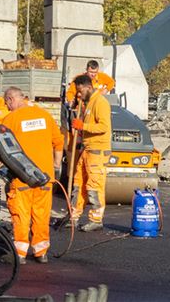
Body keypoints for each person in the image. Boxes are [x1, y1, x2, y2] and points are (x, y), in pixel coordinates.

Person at [0, 87, 63, 264]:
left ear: (11, 99)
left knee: (21, 215)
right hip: (44, 176)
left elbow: (2, 147)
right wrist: (56, 165)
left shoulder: (11, 119)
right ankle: (41, 252)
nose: (7, 107)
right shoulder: (44, 115)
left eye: (7, 103)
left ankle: (20, 253)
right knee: (41, 215)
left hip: (22, 178)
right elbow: (58, 142)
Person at [68, 74, 111, 232]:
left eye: (80, 91)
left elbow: (104, 127)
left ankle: (96, 219)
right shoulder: (88, 103)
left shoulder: (100, 102)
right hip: (87, 149)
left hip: (98, 150)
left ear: (88, 87)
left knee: (94, 185)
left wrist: (83, 126)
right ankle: (74, 215)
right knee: (78, 183)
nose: (79, 94)